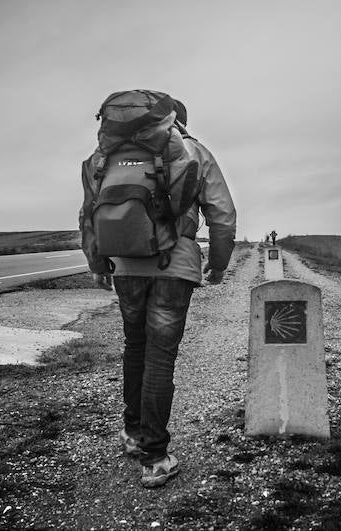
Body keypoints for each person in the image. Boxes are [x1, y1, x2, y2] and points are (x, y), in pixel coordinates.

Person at [80, 91, 236, 488]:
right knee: (160, 355)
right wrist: (218, 264)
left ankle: (133, 434)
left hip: (125, 267)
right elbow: (222, 213)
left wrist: (98, 265)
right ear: (173, 121)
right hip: (175, 265)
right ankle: (155, 457)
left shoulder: (100, 159)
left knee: (135, 346)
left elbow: (88, 214)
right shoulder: (191, 152)